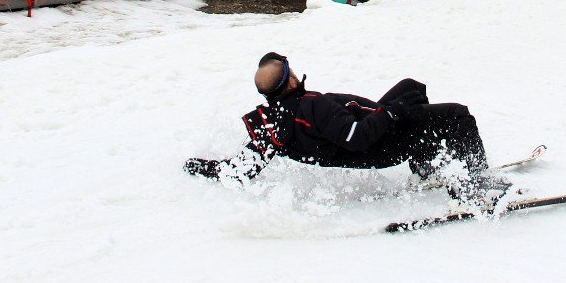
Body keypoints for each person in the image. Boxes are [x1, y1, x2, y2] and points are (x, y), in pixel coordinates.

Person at [183, 53, 512, 209]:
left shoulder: (273, 120)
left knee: (413, 87)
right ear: (292, 80)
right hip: (384, 143)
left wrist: (211, 169)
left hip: (374, 136)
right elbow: (358, 137)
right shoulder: (313, 106)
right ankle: (477, 181)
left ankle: (423, 166)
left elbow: (244, 168)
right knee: (459, 116)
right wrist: (394, 111)